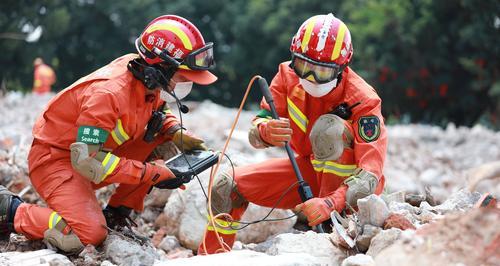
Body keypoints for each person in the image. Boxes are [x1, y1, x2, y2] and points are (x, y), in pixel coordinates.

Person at [0, 15, 216, 253]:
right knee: (86, 234)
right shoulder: (108, 95)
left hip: (90, 156)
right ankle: (11, 209)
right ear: (161, 68)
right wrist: (154, 173)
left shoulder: (147, 77)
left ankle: (116, 214)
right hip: (58, 161)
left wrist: (175, 131)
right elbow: (87, 161)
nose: (184, 83)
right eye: (183, 77)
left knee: (161, 141)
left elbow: (157, 111)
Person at [198, 13, 387, 254]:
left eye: (322, 71)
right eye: (304, 65)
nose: (310, 77)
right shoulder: (287, 76)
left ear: (342, 67)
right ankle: (212, 256)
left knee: (328, 130)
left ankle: (332, 227)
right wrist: (264, 132)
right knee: (226, 185)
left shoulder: (363, 100)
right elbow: (257, 129)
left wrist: (332, 202)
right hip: (308, 172)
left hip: (347, 192)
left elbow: (371, 175)